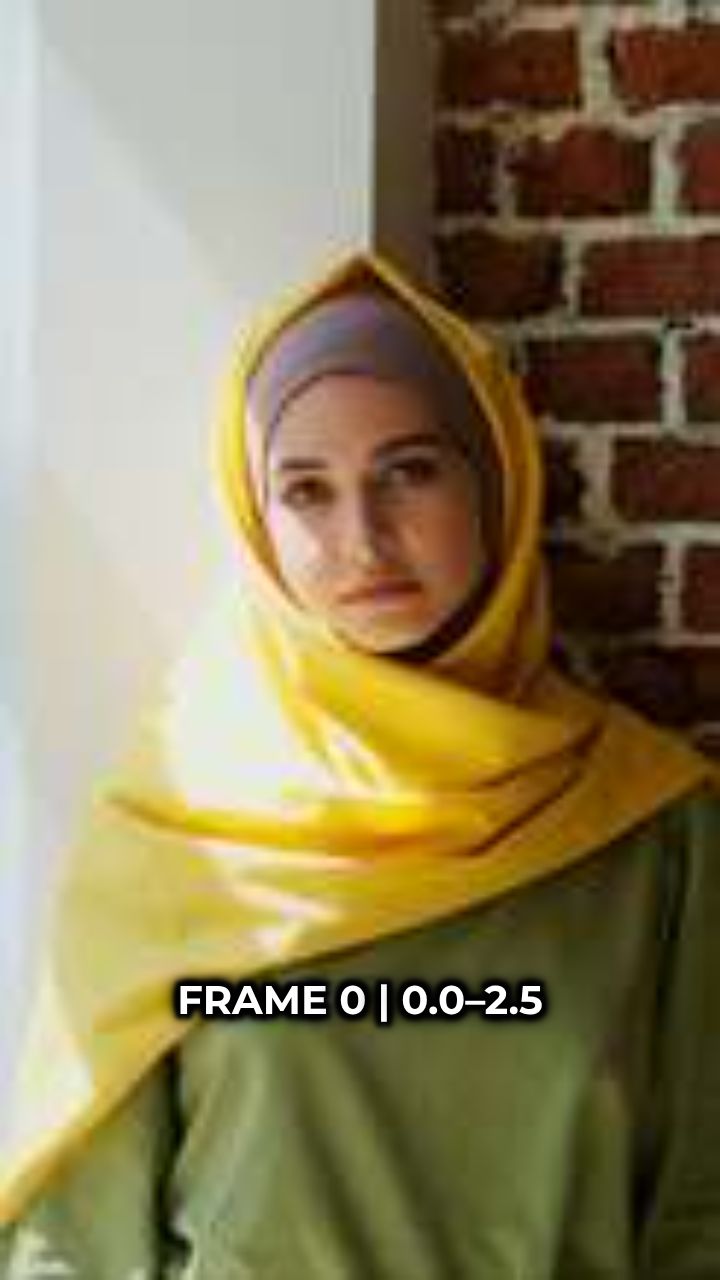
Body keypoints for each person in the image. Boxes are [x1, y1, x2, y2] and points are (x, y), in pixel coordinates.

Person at [1, 249, 718, 1279]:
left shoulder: (658, 833)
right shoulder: (176, 830)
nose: (364, 540)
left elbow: (702, 1213)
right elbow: (73, 1241)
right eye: (307, 491)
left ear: (497, 479)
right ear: (257, 522)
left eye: (410, 471)